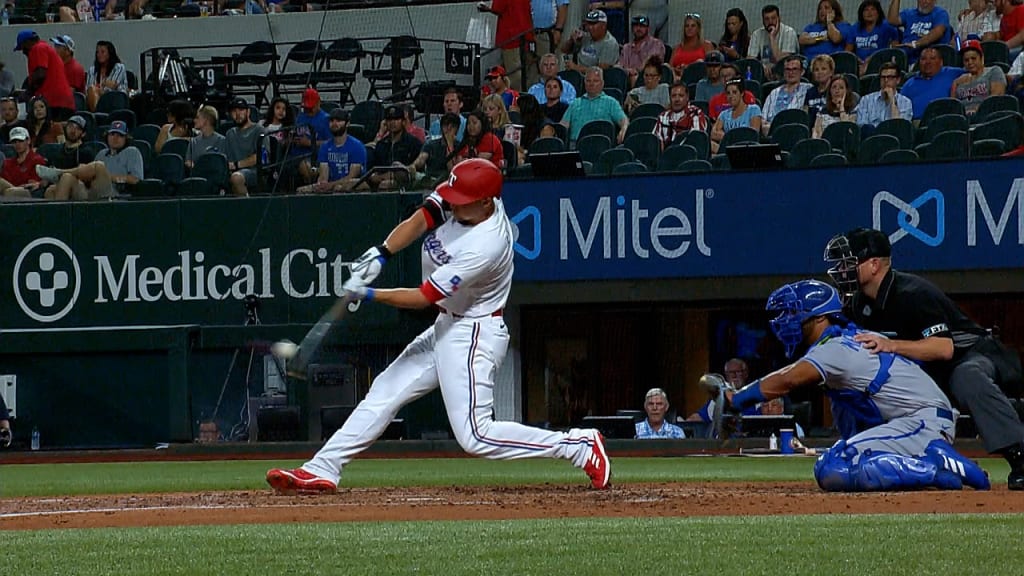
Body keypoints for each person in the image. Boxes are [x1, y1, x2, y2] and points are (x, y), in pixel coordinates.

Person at [265, 158, 611, 494]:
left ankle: (578, 445)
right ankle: (323, 467)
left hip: (474, 333)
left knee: (475, 436)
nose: (454, 206)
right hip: (448, 324)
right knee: (385, 391)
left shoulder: (486, 244)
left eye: (462, 203)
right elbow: (423, 217)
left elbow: (422, 297)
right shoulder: (469, 197)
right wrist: (382, 252)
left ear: (486, 202)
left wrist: (370, 293)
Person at [727, 279, 990, 492]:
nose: (786, 320)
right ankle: (933, 462)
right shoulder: (844, 340)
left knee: (831, 468)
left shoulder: (834, 349)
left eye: (794, 312)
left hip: (921, 422)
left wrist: (737, 399)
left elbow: (788, 379)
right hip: (917, 418)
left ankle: (932, 464)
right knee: (842, 451)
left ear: (820, 317)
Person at [824, 228, 1024, 489]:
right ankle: (865, 452)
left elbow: (943, 349)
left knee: (967, 378)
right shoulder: (858, 304)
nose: (841, 270)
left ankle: (1019, 456)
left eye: (848, 263)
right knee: (850, 384)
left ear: (873, 265)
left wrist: (891, 344)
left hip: (968, 356)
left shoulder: (913, 293)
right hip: (923, 373)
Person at [37, 120, 143, 201]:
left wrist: (108, 176)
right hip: (93, 192)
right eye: (112, 134)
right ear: (107, 136)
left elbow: (135, 180)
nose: (115, 138)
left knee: (98, 166)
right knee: (58, 184)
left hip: (116, 194)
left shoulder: (132, 152)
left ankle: (58, 172)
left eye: (120, 135)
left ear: (126, 138)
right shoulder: (102, 153)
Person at [297, 108, 366, 194]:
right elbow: (323, 175)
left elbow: (352, 176)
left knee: (341, 187)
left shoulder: (357, 146)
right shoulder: (325, 147)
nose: (334, 123)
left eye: (338, 120)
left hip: (352, 185)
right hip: (331, 185)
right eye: (332, 121)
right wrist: (322, 185)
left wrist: (330, 185)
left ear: (347, 124)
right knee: (301, 190)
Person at [15, 30, 75, 122]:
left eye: (23, 48)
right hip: (62, 102)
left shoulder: (37, 48)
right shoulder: (45, 47)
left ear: (27, 43)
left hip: (54, 102)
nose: (23, 52)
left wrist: (27, 92)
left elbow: (40, 74)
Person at [560, 67, 628, 144]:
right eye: (588, 81)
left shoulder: (611, 102)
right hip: (576, 146)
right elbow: (563, 127)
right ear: (584, 83)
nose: (591, 84)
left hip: (601, 145)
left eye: (595, 81)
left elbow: (623, 120)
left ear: (602, 83)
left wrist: (624, 128)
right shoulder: (575, 103)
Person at [478, 0, 532, 92]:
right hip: (525, 34)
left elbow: (497, 8)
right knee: (525, 73)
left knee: (514, 75)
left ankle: (518, 100)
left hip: (510, 37)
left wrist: (486, 8)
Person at [899, 46, 965, 119]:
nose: (928, 62)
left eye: (933, 58)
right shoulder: (909, 84)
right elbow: (900, 107)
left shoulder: (952, 73)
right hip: (919, 124)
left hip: (947, 119)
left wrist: (961, 79)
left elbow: (976, 72)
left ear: (941, 62)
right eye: (923, 59)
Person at [951, 38, 1007, 115]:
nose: (970, 62)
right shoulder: (958, 81)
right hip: (963, 119)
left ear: (982, 58)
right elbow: (953, 106)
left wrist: (977, 110)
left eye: (973, 58)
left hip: (987, 115)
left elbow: (996, 98)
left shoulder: (994, 71)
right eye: (966, 60)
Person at [855, 61, 914, 132]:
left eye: (890, 77)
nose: (886, 80)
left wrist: (892, 100)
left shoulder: (906, 102)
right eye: (883, 77)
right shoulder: (866, 100)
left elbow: (900, 128)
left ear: (898, 80)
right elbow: (862, 127)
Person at [761, 55, 812, 134]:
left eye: (794, 69)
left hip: (794, 131)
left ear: (802, 72)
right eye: (787, 69)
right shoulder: (774, 93)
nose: (790, 73)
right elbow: (763, 118)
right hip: (772, 131)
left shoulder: (808, 89)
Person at [406, 112, 459, 186]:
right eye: (446, 125)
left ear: (457, 129)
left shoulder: (460, 146)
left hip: (449, 181)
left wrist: (450, 143)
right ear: (441, 127)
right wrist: (414, 165)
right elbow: (421, 159)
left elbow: (452, 170)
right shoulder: (431, 144)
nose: (448, 129)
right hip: (430, 179)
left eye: (452, 126)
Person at [748, 4, 801, 78]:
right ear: (763, 21)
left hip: (786, 72)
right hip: (764, 73)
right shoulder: (757, 34)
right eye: (767, 19)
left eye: (773, 18)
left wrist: (772, 37)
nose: (770, 22)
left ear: (779, 19)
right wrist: (762, 67)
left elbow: (781, 60)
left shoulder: (789, 32)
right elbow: (750, 59)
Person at [710, 79, 763, 153]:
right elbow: (714, 134)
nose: (731, 96)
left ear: (741, 93)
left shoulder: (753, 109)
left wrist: (728, 138)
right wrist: (735, 138)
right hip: (727, 149)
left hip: (747, 149)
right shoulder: (724, 114)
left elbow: (753, 134)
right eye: (728, 93)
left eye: (734, 92)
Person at [223, 98, 261, 197]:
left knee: (236, 178)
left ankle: (248, 209)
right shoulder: (230, 133)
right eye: (234, 111)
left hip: (255, 171)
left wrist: (237, 165)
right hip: (233, 171)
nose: (237, 114)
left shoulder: (259, 130)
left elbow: (260, 157)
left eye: (241, 110)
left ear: (248, 112)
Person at [653, 82, 707, 148]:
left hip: (689, 155)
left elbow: (696, 141)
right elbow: (656, 143)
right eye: (673, 96)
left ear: (687, 97)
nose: (677, 99)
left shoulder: (696, 114)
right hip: (667, 156)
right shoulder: (663, 117)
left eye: (681, 96)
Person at [528, 0, 569, 87]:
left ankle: (551, 92)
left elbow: (562, 7)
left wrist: (558, 30)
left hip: (548, 34)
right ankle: (534, 94)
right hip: (529, 34)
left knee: (548, 68)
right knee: (531, 69)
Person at [853, 0, 900, 74]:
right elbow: (848, 50)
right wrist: (858, 61)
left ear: (878, 13)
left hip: (879, 63)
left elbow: (895, 45)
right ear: (861, 13)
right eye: (866, 10)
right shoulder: (854, 28)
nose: (869, 12)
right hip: (859, 64)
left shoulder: (886, 26)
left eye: (873, 9)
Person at [619, 15, 666, 88]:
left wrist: (637, 71)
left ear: (647, 28)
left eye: (642, 26)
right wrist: (629, 71)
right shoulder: (626, 48)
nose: (638, 29)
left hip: (649, 79)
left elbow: (653, 64)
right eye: (636, 26)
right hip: (627, 79)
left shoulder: (656, 44)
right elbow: (621, 67)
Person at [0, 127, 46, 198]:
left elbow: (33, 184)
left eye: (20, 141)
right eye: (14, 142)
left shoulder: (37, 160)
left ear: (28, 141)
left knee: (10, 192)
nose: (17, 144)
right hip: (10, 189)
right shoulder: (8, 163)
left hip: (29, 193)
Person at [85, 40, 128, 113]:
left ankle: (97, 115)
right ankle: (97, 114)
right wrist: (101, 87)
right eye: (97, 52)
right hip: (97, 100)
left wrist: (99, 89)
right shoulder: (92, 70)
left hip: (115, 101)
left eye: (102, 52)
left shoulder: (119, 67)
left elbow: (113, 86)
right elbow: (89, 89)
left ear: (110, 54)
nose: (99, 55)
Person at [670, 13, 715, 78]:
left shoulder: (706, 45)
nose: (689, 28)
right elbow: (669, 68)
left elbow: (711, 66)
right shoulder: (676, 48)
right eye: (687, 26)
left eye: (693, 26)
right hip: (678, 79)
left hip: (698, 79)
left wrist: (688, 68)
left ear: (698, 28)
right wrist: (676, 70)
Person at [185, 105, 227, 169]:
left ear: (206, 120)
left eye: (197, 117)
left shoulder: (222, 141)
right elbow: (188, 161)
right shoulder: (193, 141)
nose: (194, 120)